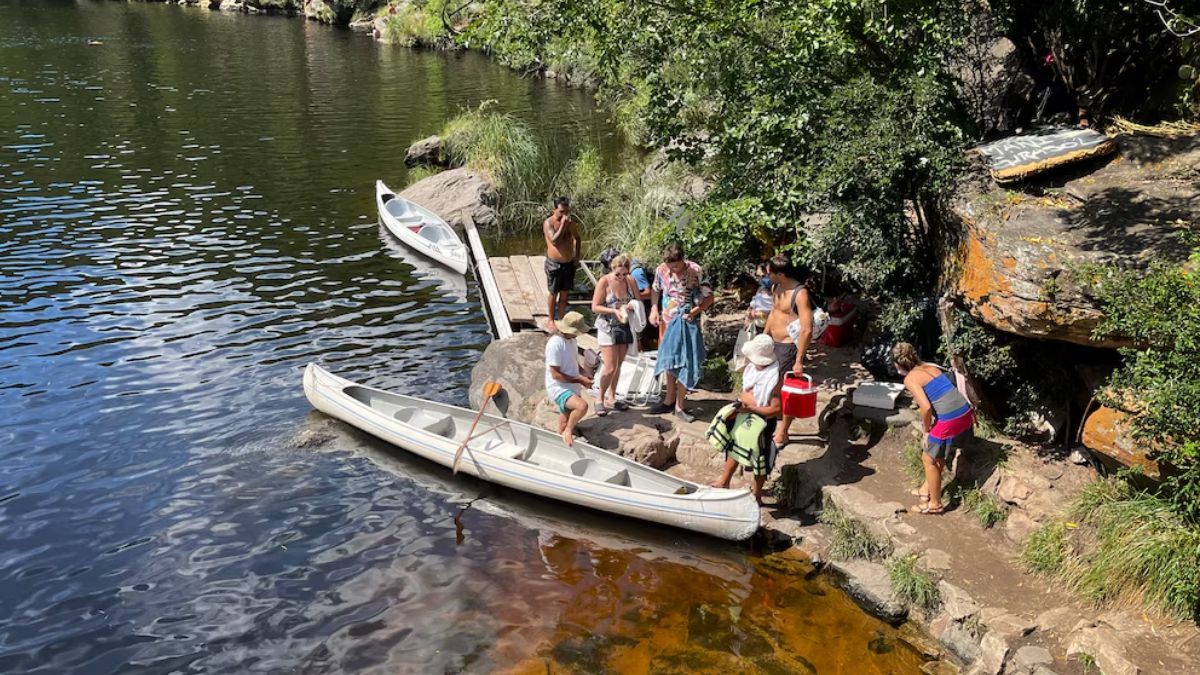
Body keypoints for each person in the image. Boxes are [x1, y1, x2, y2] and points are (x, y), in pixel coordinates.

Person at [892, 342, 974, 515]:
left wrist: (926, 430)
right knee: (938, 453)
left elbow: (926, 407)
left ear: (898, 365)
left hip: (950, 418)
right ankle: (925, 490)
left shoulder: (910, 379)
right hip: (965, 412)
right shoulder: (929, 366)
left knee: (928, 458)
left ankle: (935, 504)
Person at [707, 334, 783, 504]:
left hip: (761, 421)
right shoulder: (752, 368)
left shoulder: (774, 378)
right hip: (744, 413)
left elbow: (777, 409)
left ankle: (756, 495)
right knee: (734, 447)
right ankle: (724, 481)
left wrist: (752, 408)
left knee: (759, 459)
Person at [648, 242, 713, 422]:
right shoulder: (661, 270)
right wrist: (653, 310)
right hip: (667, 323)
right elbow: (655, 291)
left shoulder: (695, 271)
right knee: (670, 361)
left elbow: (709, 297)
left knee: (685, 361)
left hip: (687, 322)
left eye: (676, 266)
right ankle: (668, 399)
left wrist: (694, 312)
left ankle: (680, 405)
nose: (673, 270)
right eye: (670, 266)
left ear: (682, 260)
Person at [761, 255, 813, 447]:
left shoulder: (800, 294)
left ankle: (783, 431)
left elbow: (807, 328)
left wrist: (799, 359)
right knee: (769, 386)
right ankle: (771, 422)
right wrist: (763, 336)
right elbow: (774, 313)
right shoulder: (777, 287)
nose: (767, 276)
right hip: (772, 342)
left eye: (770, 273)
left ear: (780, 274)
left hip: (789, 345)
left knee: (785, 390)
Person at [591, 254, 639, 416]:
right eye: (618, 274)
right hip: (607, 326)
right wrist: (613, 310)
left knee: (618, 364)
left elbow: (637, 302)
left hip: (624, 325)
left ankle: (612, 396)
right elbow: (595, 307)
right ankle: (599, 398)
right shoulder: (605, 281)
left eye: (624, 274)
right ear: (613, 269)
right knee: (609, 365)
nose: (621, 277)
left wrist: (630, 307)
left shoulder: (630, 281)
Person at [545, 312, 593, 446]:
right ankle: (568, 431)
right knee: (582, 406)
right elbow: (555, 374)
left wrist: (584, 373)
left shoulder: (572, 340)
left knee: (564, 420)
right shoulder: (555, 344)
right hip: (558, 387)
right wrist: (579, 380)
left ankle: (560, 440)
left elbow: (573, 361)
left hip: (572, 385)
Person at [542, 196, 580, 329]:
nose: (565, 215)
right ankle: (551, 319)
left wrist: (577, 257)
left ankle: (562, 318)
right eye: (561, 212)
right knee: (553, 292)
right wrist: (563, 225)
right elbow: (554, 241)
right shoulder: (549, 223)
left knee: (565, 293)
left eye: (567, 212)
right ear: (554, 210)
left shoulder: (571, 224)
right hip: (554, 264)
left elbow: (578, 239)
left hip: (568, 264)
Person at [746, 262, 773, 329]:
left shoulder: (777, 290)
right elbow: (753, 304)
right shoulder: (760, 288)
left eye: (763, 276)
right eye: (758, 276)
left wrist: (759, 315)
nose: (760, 279)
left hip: (770, 328)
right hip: (756, 326)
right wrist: (749, 313)